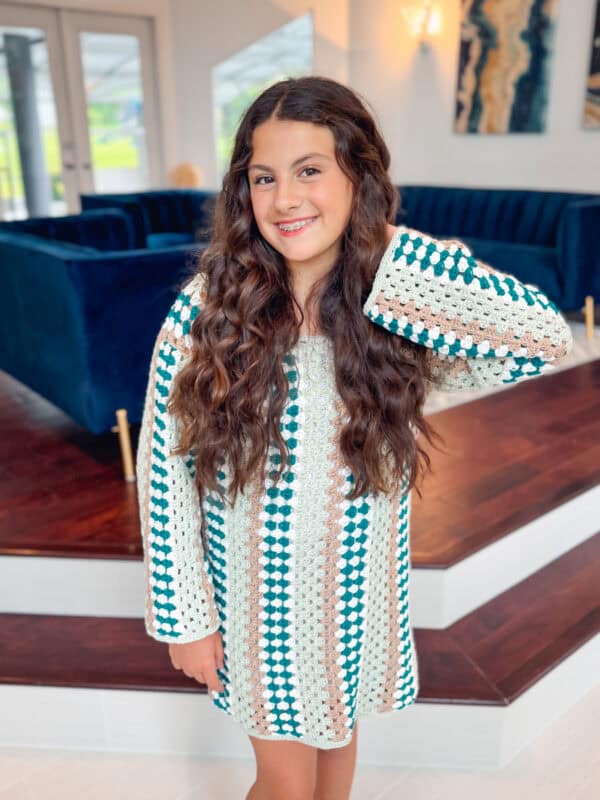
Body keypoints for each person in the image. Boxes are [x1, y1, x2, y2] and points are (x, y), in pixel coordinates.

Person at [136, 75, 573, 800]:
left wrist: (391, 255)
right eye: (263, 177)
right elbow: (164, 468)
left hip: (356, 592)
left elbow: (541, 336)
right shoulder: (207, 311)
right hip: (256, 598)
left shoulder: (393, 306)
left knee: (335, 757)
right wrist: (185, 617)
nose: (284, 199)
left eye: (311, 171)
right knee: (283, 784)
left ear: (356, 178)